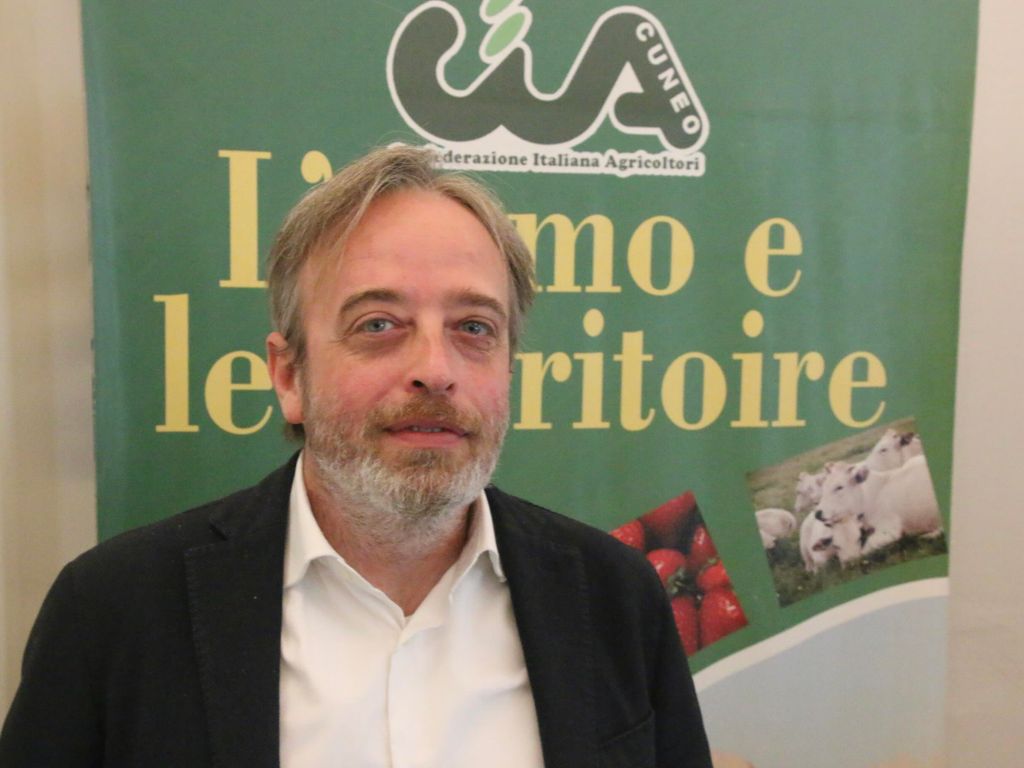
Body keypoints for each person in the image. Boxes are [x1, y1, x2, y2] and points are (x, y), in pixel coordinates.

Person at [0, 145, 712, 767]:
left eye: (473, 327)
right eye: (378, 324)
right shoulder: (114, 611)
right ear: (289, 376)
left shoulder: (616, 597)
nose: (435, 369)